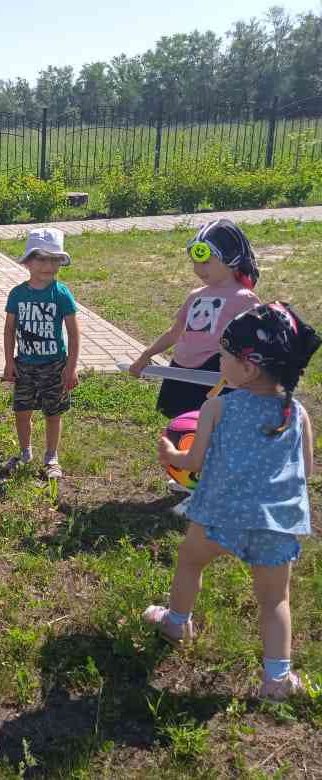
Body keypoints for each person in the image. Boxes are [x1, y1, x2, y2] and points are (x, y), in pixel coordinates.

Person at [146, 302, 319, 701]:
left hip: (218, 515)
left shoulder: (217, 407)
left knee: (190, 561)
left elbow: (193, 462)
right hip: (275, 524)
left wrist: (170, 455)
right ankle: (276, 679)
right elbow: (305, 471)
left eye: (224, 354)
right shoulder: (297, 412)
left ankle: (177, 623)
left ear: (249, 366)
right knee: (276, 599)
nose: (219, 359)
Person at [129, 219, 261, 419]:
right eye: (195, 262)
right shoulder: (195, 296)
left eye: (206, 262)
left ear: (230, 258)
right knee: (182, 427)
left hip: (215, 376)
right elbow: (175, 332)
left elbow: (258, 343)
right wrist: (146, 355)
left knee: (212, 430)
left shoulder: (244, 299)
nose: (198, 269)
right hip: (181, 369)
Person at [1, 228, 81, 480]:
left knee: (52, 413)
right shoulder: (17, 294)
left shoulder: (61, 294)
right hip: (24, 364)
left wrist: (70, 367)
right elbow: (9, 329)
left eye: (54, 259)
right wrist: (8, 362)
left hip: (54, 365)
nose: (48, 265)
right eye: (41, 258)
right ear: (27, 262)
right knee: (22, 411)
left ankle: (51, 456)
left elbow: (74, 333)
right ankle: (25, 452)